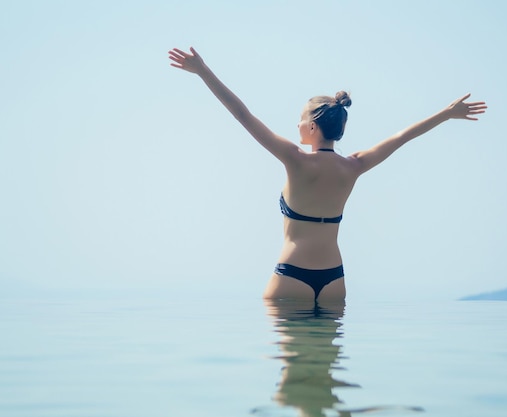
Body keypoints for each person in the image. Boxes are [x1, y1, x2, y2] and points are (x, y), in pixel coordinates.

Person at [168, 47, 487, 302]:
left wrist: (204, 72)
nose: (295, 124)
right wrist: (446, 114)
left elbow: (242, 114)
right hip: (334, 279)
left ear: (311, 126)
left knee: (289, 381)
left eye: (300, 118)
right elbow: (402, 136)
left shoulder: (294, 159)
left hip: (291, 276)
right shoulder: (354, 166)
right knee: (325, 380)